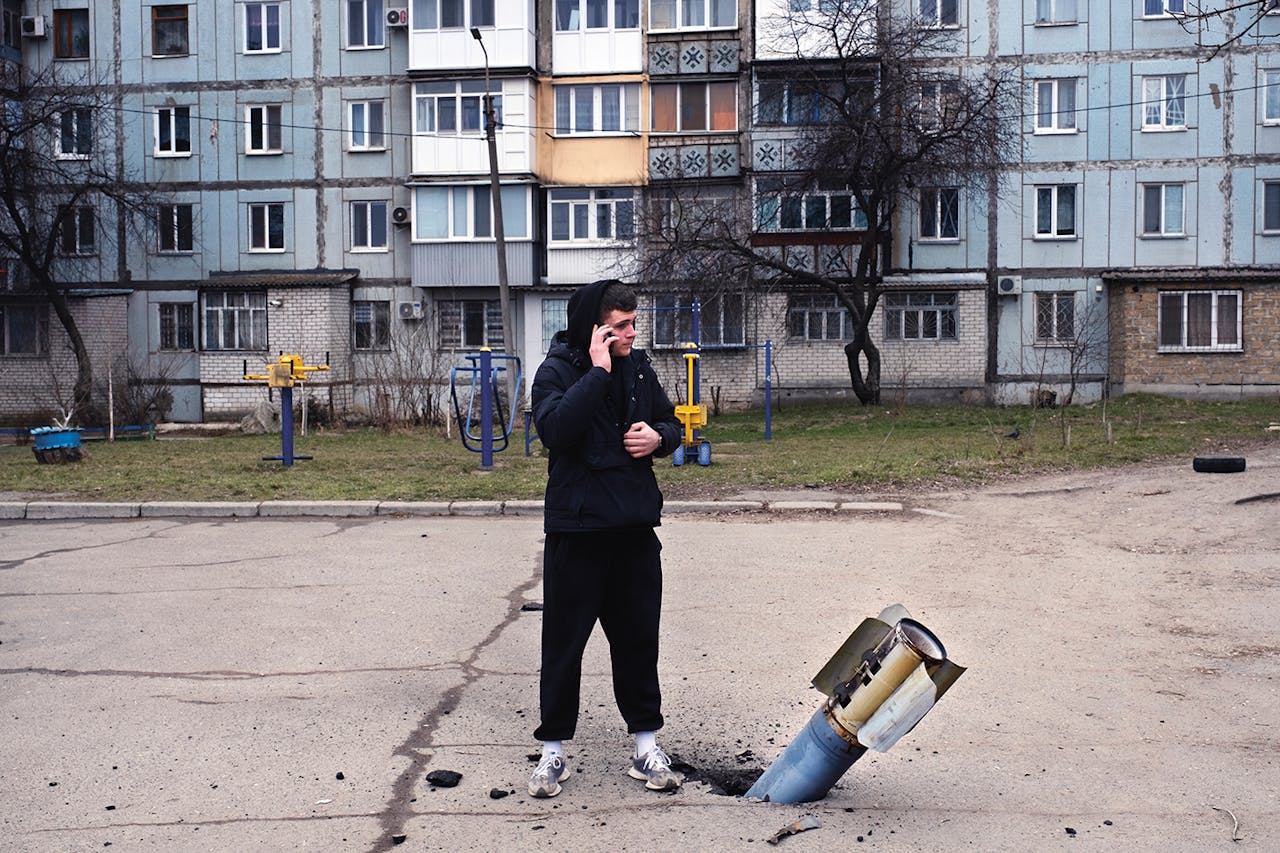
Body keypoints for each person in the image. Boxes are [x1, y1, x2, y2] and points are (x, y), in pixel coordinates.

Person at [527, 279, 683, 798]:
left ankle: (645, 746)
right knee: (564, 647)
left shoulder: (639, 368)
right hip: (578, 530)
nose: (631, 335)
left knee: (639, 642)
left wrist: (661, 438)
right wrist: (597, 371)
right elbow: (554, 431)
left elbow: (670, 421)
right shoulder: (555, 371)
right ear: (593, 328)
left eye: (634, 324)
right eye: (621, 327)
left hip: (634, 529)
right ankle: (552, 753)